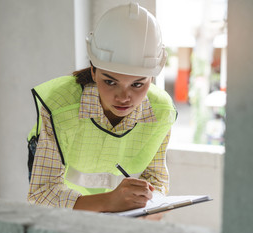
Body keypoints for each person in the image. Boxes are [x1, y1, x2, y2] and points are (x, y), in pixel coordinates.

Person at [27, 3, 177, 213]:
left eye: (137, 84)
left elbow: (156, 178)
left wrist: (149, 205)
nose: (124, 97)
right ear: (94, 71)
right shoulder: (59, 106)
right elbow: (42, 193)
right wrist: (108, 202)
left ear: (151, 78)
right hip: (66, 219)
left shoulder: (161, 110)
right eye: (110, 82)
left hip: (125, 218)